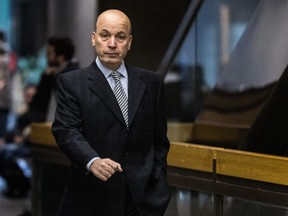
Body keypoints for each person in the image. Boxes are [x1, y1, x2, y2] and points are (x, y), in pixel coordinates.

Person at [52, 9, 171, 216]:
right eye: (105, 35)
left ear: (130, 42)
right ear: (93, 38)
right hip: (91, 198)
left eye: (121, 37)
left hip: (142, 201)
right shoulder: (71, 82)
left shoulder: (152, 83)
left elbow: (159, 140)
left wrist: (157, 182)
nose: (112, 43)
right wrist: (92, 161)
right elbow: (66, 130)